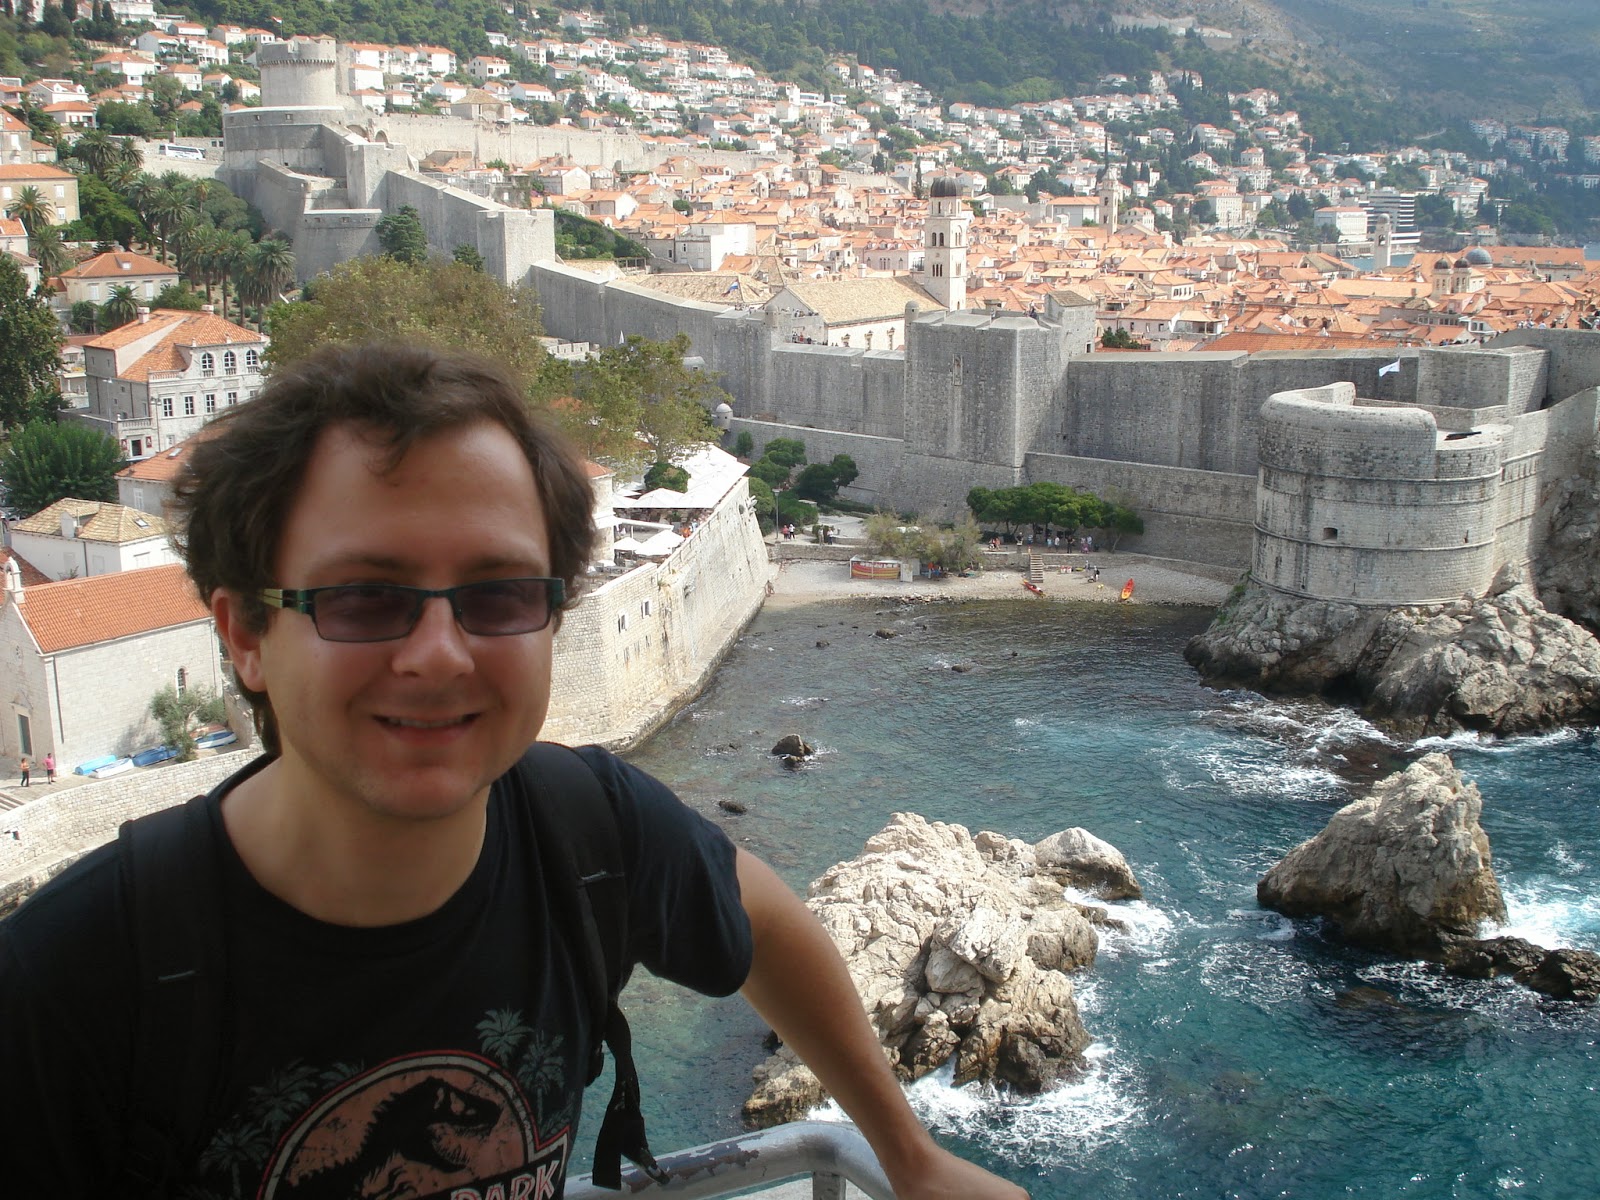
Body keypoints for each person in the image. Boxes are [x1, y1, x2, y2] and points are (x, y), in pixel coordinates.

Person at [0, 343, 1027, 1200]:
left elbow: (763, 920)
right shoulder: (71, 985)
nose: (440, 652)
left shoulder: (591, 831)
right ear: (246, 635)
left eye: (496, 596)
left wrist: (909, 1156)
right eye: (365, 596)